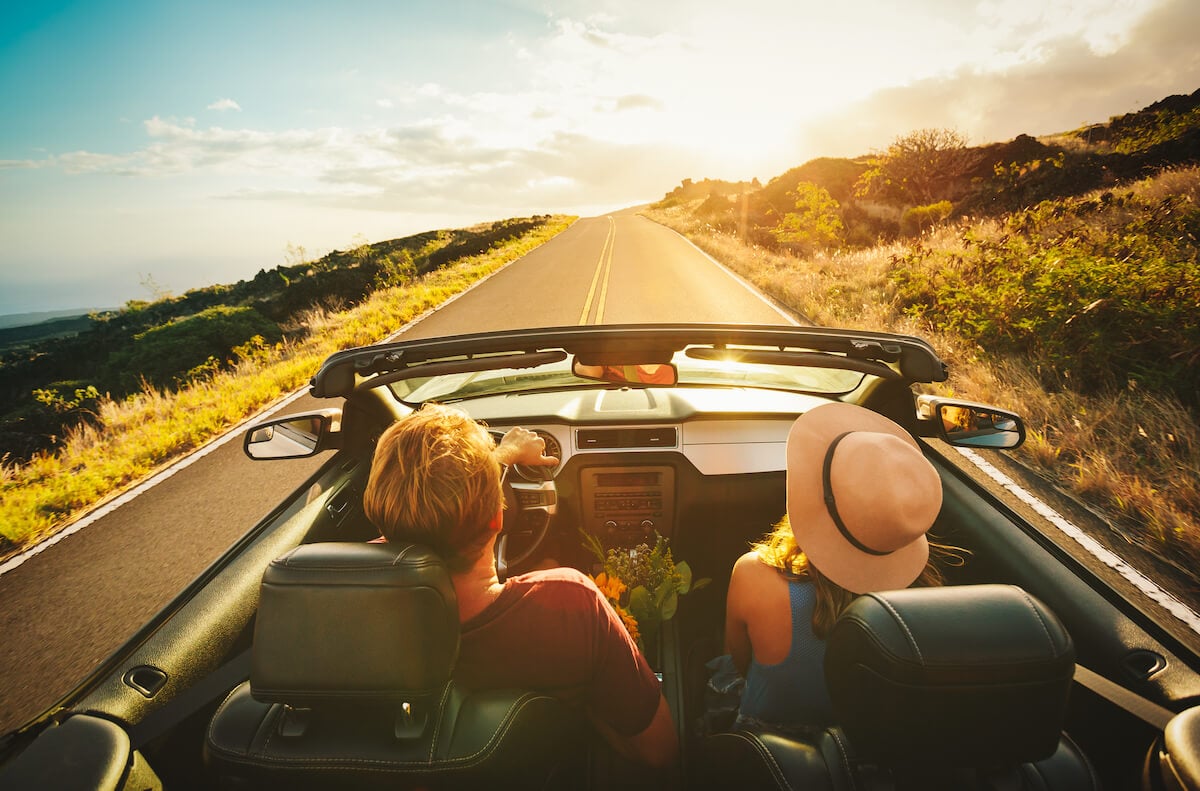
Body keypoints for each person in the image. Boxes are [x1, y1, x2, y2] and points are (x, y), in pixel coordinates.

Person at [362, 403, 679, 769]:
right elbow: (661, 752)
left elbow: (421, 516)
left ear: (382, 516)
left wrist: (501, 457)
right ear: (500, 516)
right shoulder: (572, 605)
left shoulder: (341, 601)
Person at [723, 401, 954, 733]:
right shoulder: (927, 605)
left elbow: (739, 665)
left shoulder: (753, 576)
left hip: (768, 752)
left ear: (810, 488)